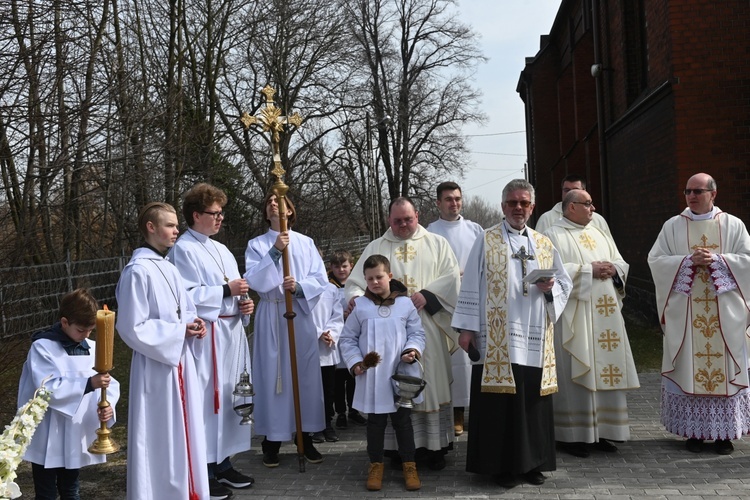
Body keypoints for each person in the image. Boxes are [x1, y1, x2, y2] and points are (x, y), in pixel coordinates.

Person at [452, 179, 571, 487]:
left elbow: (563, 283)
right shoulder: (487, 239)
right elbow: (468, 284)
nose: (518, 208)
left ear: (532, 207)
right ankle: (501, 467)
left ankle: (532, 464)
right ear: (503, 206)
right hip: (495, 339)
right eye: (512, 202)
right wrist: (466, 328)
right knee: (499, 405)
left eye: (524, 203)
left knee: (531, 402)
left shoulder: (544, 244)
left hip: (533, 336)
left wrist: (550, 289)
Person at [345, 197, 460, 470]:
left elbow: (452, 277)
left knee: (429, 385)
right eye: (397, 220)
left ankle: (433, 449)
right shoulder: (377, 246)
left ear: (417, 215)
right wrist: (353, 297)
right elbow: (356, 282)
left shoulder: (437, 243)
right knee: (390, 388)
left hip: (426, 327)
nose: (403, 225)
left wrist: (427, 295)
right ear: (389, 220)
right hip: (387, 334)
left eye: (408, 219)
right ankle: (396, 451)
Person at [648, 172, 750, 455]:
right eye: (688, 191)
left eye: (698, 191)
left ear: (713, 194)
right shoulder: (672, 226)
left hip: (725, 317)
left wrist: (718, 260)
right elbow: (655, 260)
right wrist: (685, 262)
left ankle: (724, 435)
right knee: (689, 367)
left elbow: (748, 260)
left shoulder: (733, 225)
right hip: (688, 315)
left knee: (725, 368)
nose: (692, 196)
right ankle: (693, 432)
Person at [116, 202, 209, 500]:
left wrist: (193, 324)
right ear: (150, 227)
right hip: (155, 369)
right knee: (159, 437)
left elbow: (185, 310)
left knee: (185, 433)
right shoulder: (137, 271)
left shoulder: (169, 267)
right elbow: (131, 327)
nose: (176, 230)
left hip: (180, 362)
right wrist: (178, 332)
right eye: (169, 225)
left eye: (175, 225)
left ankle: (188, 490)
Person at [168, 183, 255, 498]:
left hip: (231, 334)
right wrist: (225, 292)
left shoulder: (222, 249)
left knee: (231, 399)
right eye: (214, 213)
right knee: (207, 401)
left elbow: (235, 291)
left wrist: (244, 306)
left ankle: (223, 463)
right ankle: (203, 469)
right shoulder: (183, 250)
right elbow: (184, 296)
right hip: (207, 339)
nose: (220, 219)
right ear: (196, 215)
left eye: (221, 213)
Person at [544, 190, 639, 458]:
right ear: (571, 207)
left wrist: (614, 270)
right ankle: (572, 435)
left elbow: (620, 261)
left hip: (605, 316)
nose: (593, 208)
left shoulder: (599, 232)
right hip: (575, 317)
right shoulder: (552, 235)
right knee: (577, 376)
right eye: (587, 204)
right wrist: (589, 271)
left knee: (604, 371)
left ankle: (604, 432)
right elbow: (552, 275)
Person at [244, 192, 328, 467]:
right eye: (268, 202)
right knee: (272, 377)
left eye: (279, 202)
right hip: (271, 313)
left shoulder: (306, 243)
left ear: (290, 211)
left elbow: (321, 279)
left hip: (299, 315)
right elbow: (254, 280)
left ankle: (305, 437)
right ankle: (272, 441)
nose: (274, 204)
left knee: (303, 376)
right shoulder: (256, 244)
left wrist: (300, 287)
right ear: (266, 213)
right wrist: (275, 251)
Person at [18, 288, 119, 500]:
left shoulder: (92, 348)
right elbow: (46, 388)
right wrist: (89, 384)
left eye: (91, 330)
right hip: (48, 432)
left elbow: (110, 384)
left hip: (74, 430)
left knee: (71, 490)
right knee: (46, 492)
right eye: (81, 330)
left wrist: (107, 405)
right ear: (64, 322)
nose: (87, 335)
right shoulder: (43, 347)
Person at [339, 254, 426, 492]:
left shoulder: (406, 304)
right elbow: (347, 339)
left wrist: (412, 351)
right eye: (370, 279)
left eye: (379, 277)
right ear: (365, 281)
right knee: (375, 424)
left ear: (389, 276)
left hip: (400, 375)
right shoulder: (361, 307)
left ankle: (410, 465)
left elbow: (417, 334)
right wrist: (356, 362)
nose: (375, 282)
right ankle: (375, 465)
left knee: (403, 422)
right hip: (373, 376)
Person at [426, 181, 484, 436]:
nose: (454, 203)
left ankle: (479, 411)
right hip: (446, 304)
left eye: (458, 198)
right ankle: (457, 412)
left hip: (474, 301)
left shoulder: (476, 230)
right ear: (438, 203)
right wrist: (451, 277)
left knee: (476, 358)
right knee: (456, 361)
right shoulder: (430, 232)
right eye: (448, 199)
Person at [328, 250, 367, 428]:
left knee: (353, 377)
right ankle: (340, 412)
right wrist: (340, 315)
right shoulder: (328, 286)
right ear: (331, 268)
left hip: (354, 337)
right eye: (337, 267)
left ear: (352, 266)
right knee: (338, 380)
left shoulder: (359, 286)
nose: (341, 270)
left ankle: (353, 410)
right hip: (336, 339)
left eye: (345, 266)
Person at [310, 281, 344, 443]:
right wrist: (318, 332)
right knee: (310, 391)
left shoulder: (331, 289)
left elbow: (337, 315)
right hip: (307, 345)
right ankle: (313, 426)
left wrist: (331, 333)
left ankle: (326, 424)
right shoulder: (300, 287)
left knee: (328, 390)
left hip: (327, 347)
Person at [534, 174, 612, 237]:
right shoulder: (547, 219)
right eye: (566, 190)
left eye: (575, 190)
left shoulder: (598, 220)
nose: (570, 194)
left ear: (584, 191)